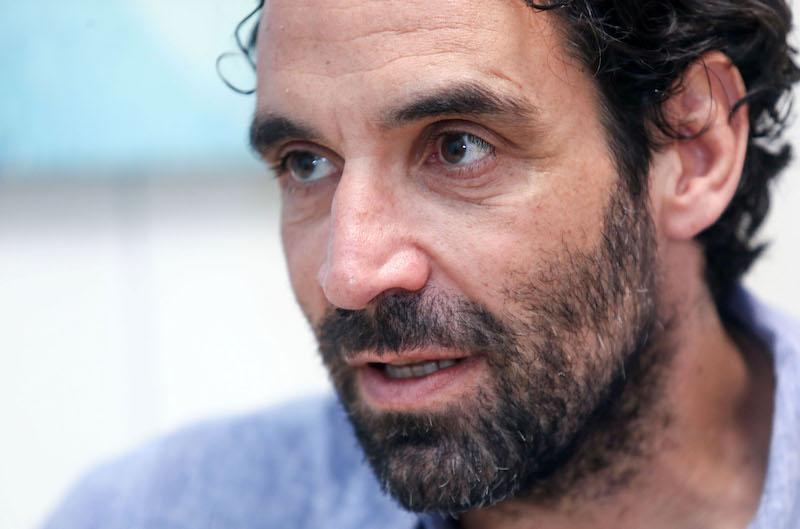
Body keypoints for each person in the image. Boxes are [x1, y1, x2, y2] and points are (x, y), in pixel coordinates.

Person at [44, 1, 800, 528]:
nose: (350, 274)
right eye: (307, 162)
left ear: (693, 152)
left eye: (458, 147)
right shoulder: (149, 513)